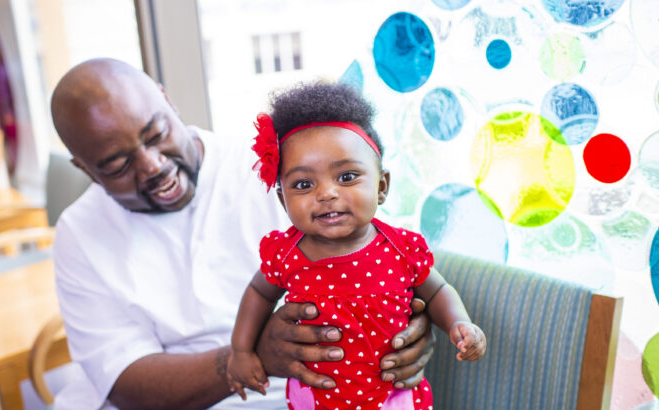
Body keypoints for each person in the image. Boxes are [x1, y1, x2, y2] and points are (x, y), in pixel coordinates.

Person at [49, 58, 436, 409]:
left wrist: (413, 328)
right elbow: (126, 382)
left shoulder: (283, 174)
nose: (153, 166)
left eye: (156, 135)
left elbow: (386, 260)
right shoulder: (80, 233)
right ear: (84, 169)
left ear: (168, 102)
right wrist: (252, 352)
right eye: (118, 164)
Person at [226, 82, 487, 410]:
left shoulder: (401, 248)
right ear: (283, 199)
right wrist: (240, 350)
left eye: (346, 177)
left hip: (393, 398)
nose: (326, 194)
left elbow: (436, 291)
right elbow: (258, 293)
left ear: (382, 186)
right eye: (304, 184)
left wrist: (459, 323)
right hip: (316, 400)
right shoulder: (286, 254)